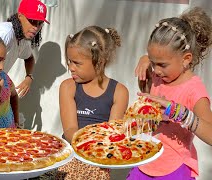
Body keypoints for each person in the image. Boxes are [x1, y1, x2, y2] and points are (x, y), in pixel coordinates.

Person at [130, 7, 212, 179]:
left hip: (175, 168)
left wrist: (179, 113)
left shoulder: (194, 89)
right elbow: (147, 97)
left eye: (162, 65)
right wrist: (144, 62)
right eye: (153, 63)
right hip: (145, 159)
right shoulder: (160, 76)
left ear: (186, 59)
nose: (156, 70)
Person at [57, 26, 129, 179]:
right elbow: (70, 129)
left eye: (77, 63)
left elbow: (112, 133)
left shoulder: (119, 92)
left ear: (99, 62)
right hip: (70, 158)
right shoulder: (68, 87)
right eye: (70, 61)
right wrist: (86, 145)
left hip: (98, 162)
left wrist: (96, 149)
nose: (71, 68)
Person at [0, 0, 50, 98]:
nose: (36, 27)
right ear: (20, 16)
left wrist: (29, 77)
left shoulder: (23, 40)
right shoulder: (5, 34)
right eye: (32, 21)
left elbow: (29, 58)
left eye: (40, 23)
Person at [137, 92, 212, 146]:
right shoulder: (157, 77)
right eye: (154, 68)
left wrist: (181, 114)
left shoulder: (195, 91)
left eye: (163, 68)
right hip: (146, 158)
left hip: (177, 164)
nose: (157, 71)